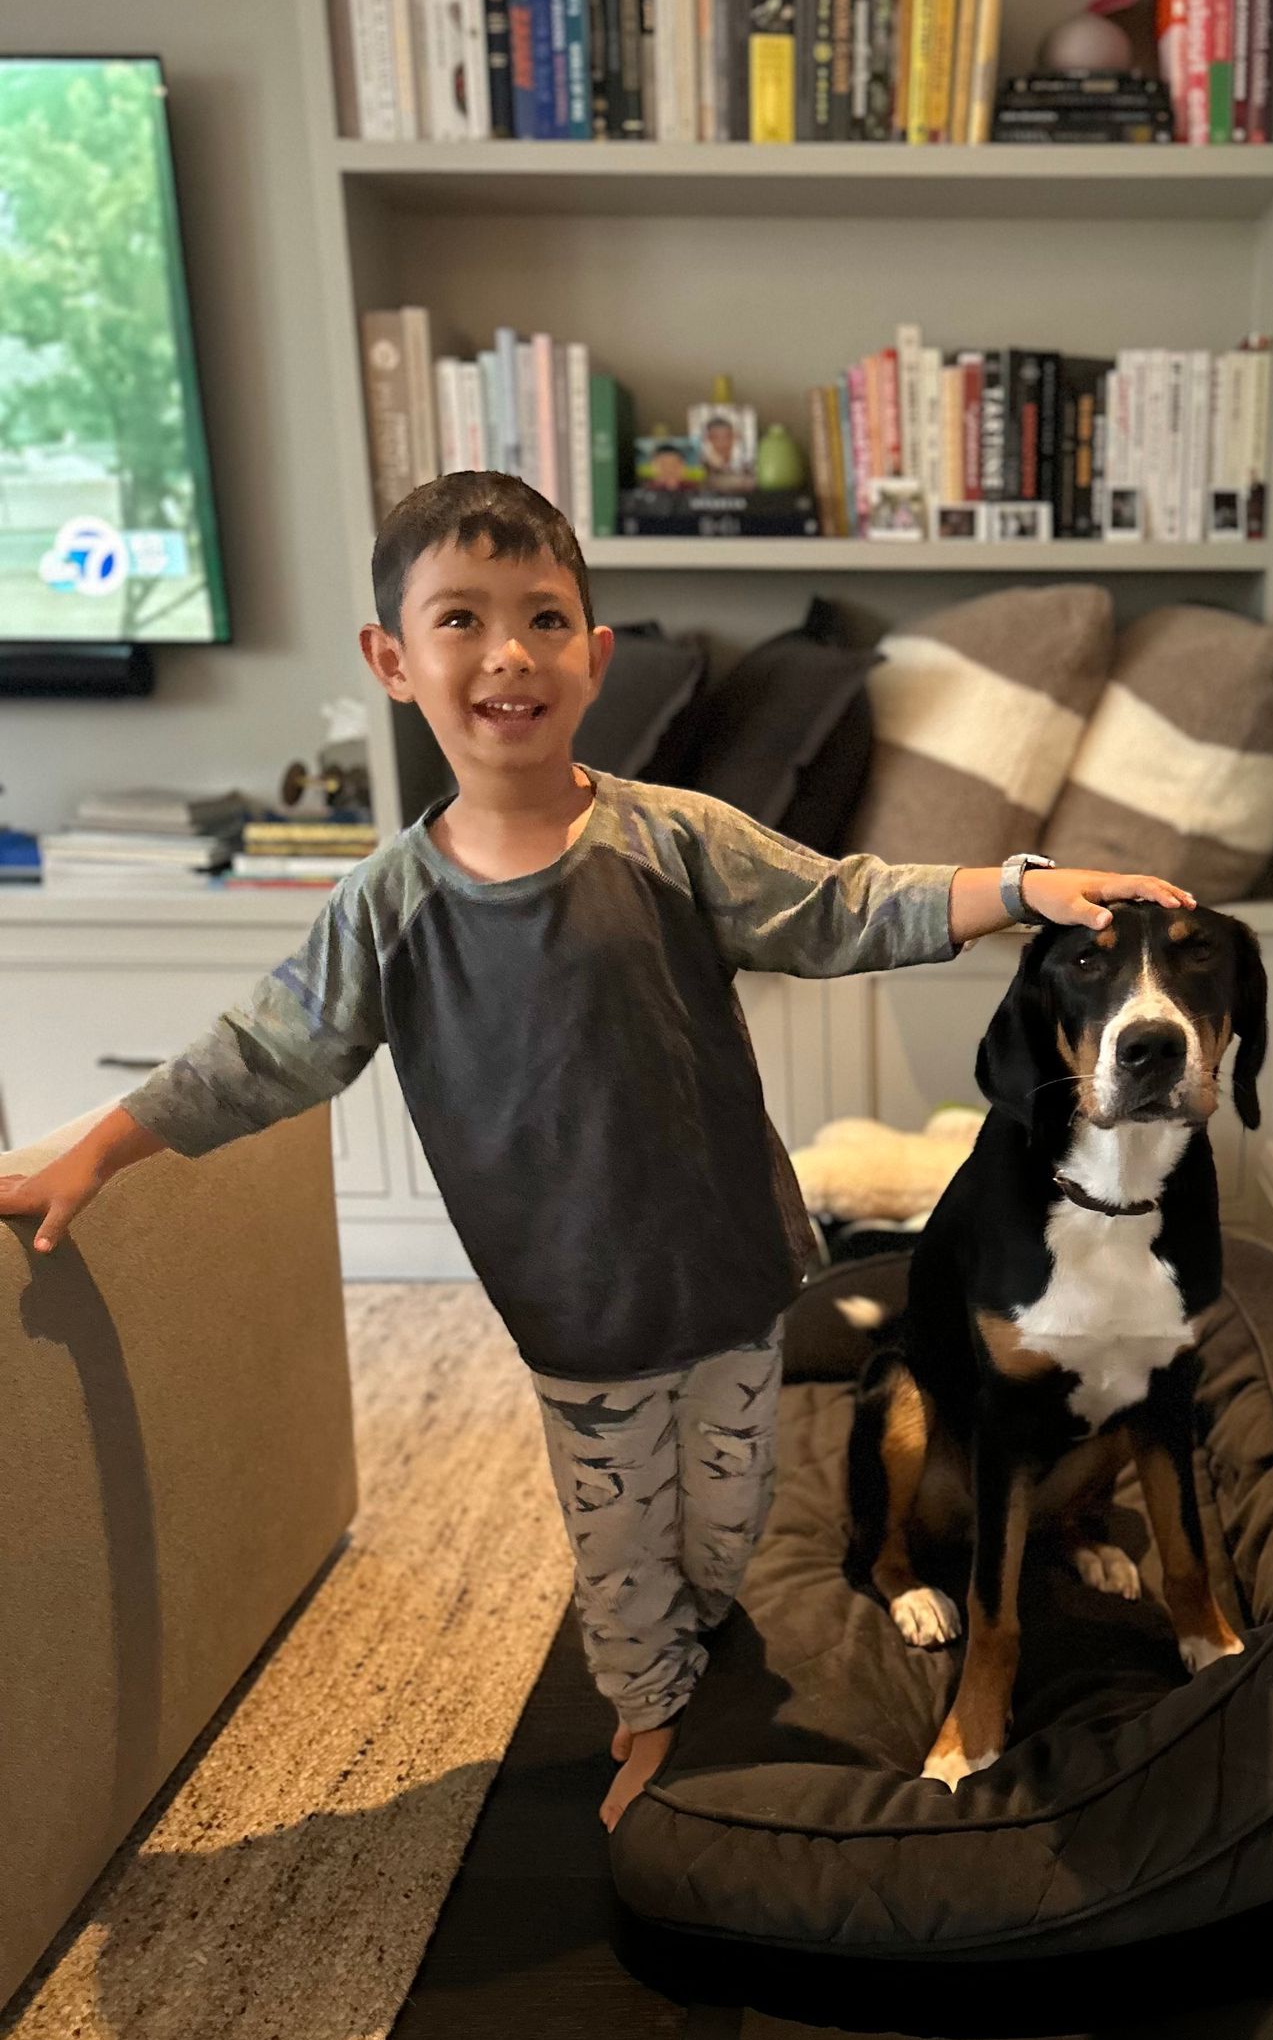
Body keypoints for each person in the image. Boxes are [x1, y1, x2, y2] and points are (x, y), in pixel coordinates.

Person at [0, 472, 1193, 1833]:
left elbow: (840, 904)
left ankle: (694, 1650)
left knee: (725, 1525)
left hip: (741, 1284)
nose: (507, 653)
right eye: (461, 619)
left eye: (544, 618)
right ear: (394, 662)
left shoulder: (674, 838)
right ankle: (650, 1711)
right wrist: (92, 1153)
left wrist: (1023, 887)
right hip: (582, 1320)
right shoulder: (389, 911)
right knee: (622, 1555)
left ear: (593, 656)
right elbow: (260, 1050)